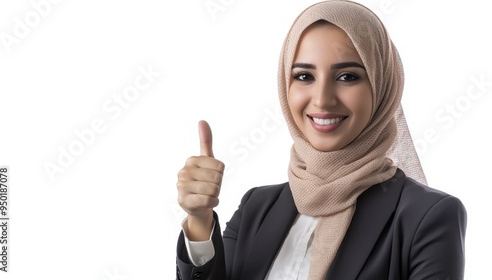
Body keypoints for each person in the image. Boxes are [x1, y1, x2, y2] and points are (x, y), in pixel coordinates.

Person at [175, 0, 467, 279]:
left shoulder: (428, 216)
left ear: (382, 86)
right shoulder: (257, 206)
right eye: (304, 76)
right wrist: (200, 219)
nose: (322, 100)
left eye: (347, 76)